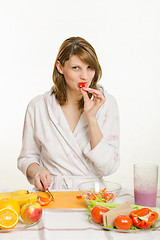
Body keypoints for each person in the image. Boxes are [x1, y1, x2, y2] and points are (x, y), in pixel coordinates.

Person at [17, 36, 120, 191]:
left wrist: (91, 118)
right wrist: (37, 170)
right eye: (76, 68)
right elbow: (26, 157)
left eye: (90, 67)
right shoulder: (38, 106)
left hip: (92, 196)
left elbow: (108, 167)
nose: (85, 76)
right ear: (60, 67)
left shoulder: (106, 104)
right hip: (52, 194)